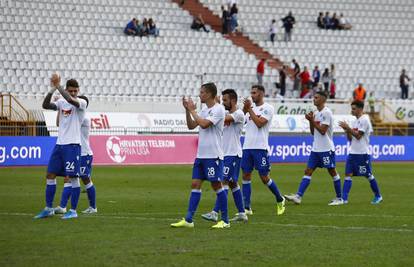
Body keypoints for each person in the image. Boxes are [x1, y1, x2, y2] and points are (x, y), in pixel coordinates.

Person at [171, 83, 229, 229]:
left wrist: (193, 110)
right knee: (195, 184)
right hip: (201, 155)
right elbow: (191, 125)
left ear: (209, 94)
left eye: (202, 92)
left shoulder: (219, 109)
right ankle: (189, 219)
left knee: (216, 185)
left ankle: (225, 221)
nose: (199, 95)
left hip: (213, 155)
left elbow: (203, 124)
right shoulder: (204, 110)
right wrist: (187, 111)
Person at [34, 74, 87, 219]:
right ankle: (49, 208)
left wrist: (58, 87)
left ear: (78, 91)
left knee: (73, 177)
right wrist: (52, 90)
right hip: (60, 145)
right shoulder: (62, 103)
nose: (73, 93)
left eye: (76, 91)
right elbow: (45, 105)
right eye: (71, 91)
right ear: (67, 90)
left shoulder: (81, 103)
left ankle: (73, 211)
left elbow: (70, 100)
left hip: (73, 145)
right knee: (50, 175)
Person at [284, 91, 343, 205]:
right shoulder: (316, 113)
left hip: (326, 148)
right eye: (314, 97)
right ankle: (298, 196)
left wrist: (312, 120)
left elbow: (322, 131)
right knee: (308, 171)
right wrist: (310, 121)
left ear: (323, 99)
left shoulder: (327, 113)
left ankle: (339, 198)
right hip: (316, 148)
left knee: (332, 171)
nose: (314, 99)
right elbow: (313, 132)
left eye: (316, 98)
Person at [201, 89, 247, 223]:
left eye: (225, 100)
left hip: (233, 153)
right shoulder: (225, 112)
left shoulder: (238, 114)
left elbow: (222, 119)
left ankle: (215, 212)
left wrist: (216, 107)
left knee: (223, 181)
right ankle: (242, 213)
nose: (223, 103)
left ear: (233, 101)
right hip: (226, 153)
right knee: (232, 183)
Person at [241, 85, 286, 215]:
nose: (252, 95)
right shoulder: (251, 109)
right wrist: (245, 110)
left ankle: (280, 198)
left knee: (264, 177)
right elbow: (241, 122)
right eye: (251, 93)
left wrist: (249, 110)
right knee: (245, 175)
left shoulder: (268, 108)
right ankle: (247, 207)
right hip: (247, 147)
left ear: (261, 94)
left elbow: (260, 123)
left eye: (254, 93)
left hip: (260, 147)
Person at [53, 96, 97, 215]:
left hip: (84, 153)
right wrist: (60, 107)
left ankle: (93, 207)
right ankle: (62, 206)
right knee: (69, 178)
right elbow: (59, 123)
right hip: (75, 151)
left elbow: (69, 120)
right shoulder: (75, 115)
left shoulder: (84, 117)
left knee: (85, 179)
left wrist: (64, 101)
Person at [339, 101, 383, 204]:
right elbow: (351, 139)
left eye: (354, 108)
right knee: (348, 174)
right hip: (352, 152)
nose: (352, 110)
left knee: (368, 175)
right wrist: (347, 130)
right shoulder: (355, 121)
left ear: (360, 109)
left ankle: (378, 196)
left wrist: (348, 128)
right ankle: (344, 199)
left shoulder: (365, 120)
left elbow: (358, 136)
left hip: (362, 154)